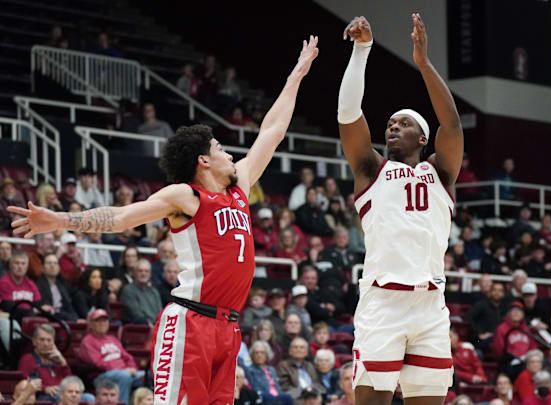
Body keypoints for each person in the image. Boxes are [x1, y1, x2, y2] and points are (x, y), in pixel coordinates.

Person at [9, 35, 319, 405]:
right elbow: (121, 217)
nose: (228, 153)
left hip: (229, 327)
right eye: (219, 148)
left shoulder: (240, 187)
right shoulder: (186, 196)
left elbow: (272, 131)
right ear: (203, 161)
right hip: (191, 321)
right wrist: (59, 219)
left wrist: (296, 75)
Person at [338, 13, 462, 401]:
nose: (392, 126)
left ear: (422, 136)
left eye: (403, 123)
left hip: (429, 305)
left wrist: (423, 64)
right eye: (390, 122)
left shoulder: (440, 172)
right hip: (383, 302)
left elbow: (453, 125)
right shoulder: (370, 169)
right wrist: (361, 51)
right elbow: (347, 115)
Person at [78, 309, 144, 404]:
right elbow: (97, 363)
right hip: (101, 375)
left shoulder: (112, 339)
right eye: (98, 321)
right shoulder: (87, 341)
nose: (102, 323)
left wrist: (132, 368)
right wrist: (123, 370)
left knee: (147, 375)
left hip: (123, 372)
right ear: (91, 324)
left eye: (104, 320)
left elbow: (127, 357)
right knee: (125, 376)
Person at [244, 341, 294, 405]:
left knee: (288, 397)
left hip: (278, 397)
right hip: (264, 397)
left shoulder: (271, 369)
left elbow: (278, 387)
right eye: (256, 353)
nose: (259, 355)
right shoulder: (249, 370)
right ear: (252, 355)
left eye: (262, 352)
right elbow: (254, 388)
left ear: (267, 354)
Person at [0, 252, 44, 320]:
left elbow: (38, 304)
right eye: (16, 263)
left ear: (27, 267)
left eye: (23, 264)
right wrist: (31, 311)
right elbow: (8, 307)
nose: (20, 266)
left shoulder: (31, 283)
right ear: (10, 266)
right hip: (11, 319)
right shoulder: (3, 282)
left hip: (31, 318)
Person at [35, 254, 78, 321]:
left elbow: (69, 307)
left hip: (65, 319)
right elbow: (48, 311)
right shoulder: (38, 285)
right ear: (43, 267)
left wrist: (75, 319)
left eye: (55, 263)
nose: (52, 266)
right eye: (49, 263)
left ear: (59, 268)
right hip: (50, 320)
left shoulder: (63, 285)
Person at [120, 258, 162, 324]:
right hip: (139, 329)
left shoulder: (154, 292)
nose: (143, 273)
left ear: (150, 274)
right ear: (134, 273)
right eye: (140, 271)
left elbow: (160, 314)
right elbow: (136, 314)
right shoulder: (128, 290)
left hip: (155, 327)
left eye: (146, 271)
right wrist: (149, 323)